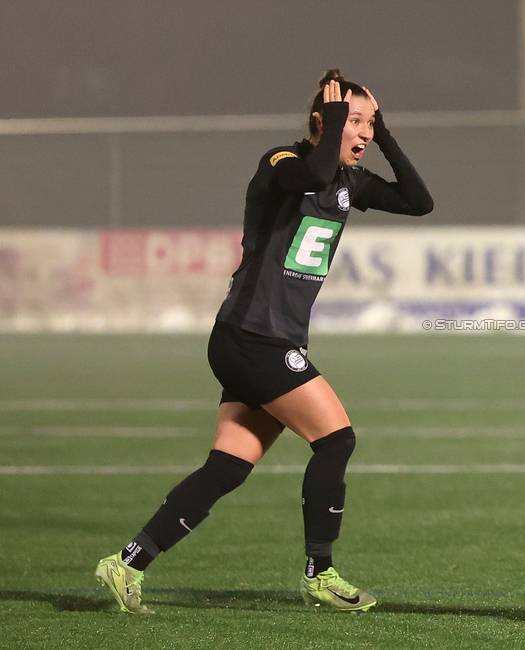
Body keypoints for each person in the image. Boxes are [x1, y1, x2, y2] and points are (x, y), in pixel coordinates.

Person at [95, 69, 433, 614]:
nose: (365, 132)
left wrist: (384, 132)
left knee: (227, 467)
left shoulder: (350, 180)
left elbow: (420, 203)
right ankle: (320, 573)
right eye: (357, 121)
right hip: (254, 337)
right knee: (337, 439)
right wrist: (335, 127)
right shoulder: (283, 161)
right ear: (325, 120)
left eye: (372, 122)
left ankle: (127, 562)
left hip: (261, 340)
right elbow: (310, 173)